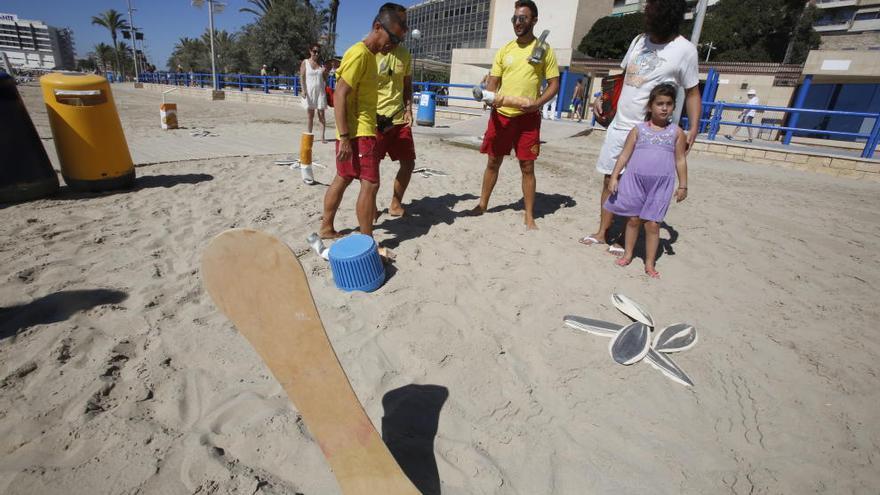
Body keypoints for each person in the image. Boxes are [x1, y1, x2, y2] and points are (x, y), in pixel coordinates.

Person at [580, 0, 700, 252]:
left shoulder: (685, 50)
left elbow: (692, 92)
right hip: (620, 125)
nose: (650, 23)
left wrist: (694, 129)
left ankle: (625, 238)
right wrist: (601, 98)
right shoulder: (638, 40)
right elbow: (623, 77)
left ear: (668, 17)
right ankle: (602, 232)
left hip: (650, 132)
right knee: (608, 180)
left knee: (635, 188)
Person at [319, 3, 408, 240]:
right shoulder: (360, 54)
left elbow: (356, 96)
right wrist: (346, 137)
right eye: (392, 39)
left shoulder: (370, 55)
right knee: (370, 184)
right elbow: (340, 94)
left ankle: (326, 228)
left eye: (398, 41)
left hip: (361, 128)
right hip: (358, 133)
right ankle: (367, 241)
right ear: (377, 27)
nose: (394, 45)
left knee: (344, 177)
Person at [469, 0, 559, 230]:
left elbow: (554, 84)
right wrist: (489, 98)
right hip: (501, 116)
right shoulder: (505, 50)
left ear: (534, 20)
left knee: (527, 166)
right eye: (515, 19)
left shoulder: (544, 50)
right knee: (493, 161)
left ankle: (529, 215)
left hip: (528, 118)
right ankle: (482, 205)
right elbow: (493, 82)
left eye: (523, 18)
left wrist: (537, 103)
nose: (518, 23)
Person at [603, 83, 687, 279]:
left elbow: (680, 159)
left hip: (661, 185)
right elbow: (624, 156)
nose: (664, 108)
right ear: (650, 106)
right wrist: (615, 176)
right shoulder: (638, 130)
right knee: (632, 220)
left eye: (668, 104)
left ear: (674, 106)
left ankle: (649, 263)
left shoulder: (676, 132)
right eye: (659, 103)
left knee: (653, 224)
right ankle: (628, 254)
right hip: (634, 181)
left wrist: (683, 185)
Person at [375, 5, 416, 217]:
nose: (405, 29)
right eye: (402, 24)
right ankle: (370, 208)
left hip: (399, 118)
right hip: (375, 120)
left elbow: (407, 85)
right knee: (371, 168)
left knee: (408, 163)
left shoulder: (404, 54)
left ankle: (395, 203)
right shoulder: (369, 52)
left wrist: (409, 108)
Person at [300, 43, 328, 143]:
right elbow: (302, 77)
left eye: (318, 52)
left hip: (320, 92)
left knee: (321, 115)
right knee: (310, 115)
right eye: (314, 51)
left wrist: (325, 73)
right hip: (310, 92)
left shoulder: (322, 64)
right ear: (310, 51)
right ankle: (309, 135)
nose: (316, 53)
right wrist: (303, 90)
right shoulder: (305, 62)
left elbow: (325, 80)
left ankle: (322, 137)